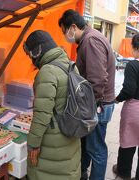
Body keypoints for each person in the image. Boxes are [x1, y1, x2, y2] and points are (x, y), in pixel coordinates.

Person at [59, 9, 115, 180]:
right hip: (99, 103)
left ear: (73, 27)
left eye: (64, 31)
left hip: (99, 104)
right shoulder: (90, 38)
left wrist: (88, 106)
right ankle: (83, 173)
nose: (65, 35)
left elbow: (97, 80)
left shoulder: (90, 41)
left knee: (96, 149)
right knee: (89, 145)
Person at [23, 30, 81, 180]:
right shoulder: (70, 64)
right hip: (71, 134)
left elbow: (42, 115)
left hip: (52, 143)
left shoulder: (47, 71)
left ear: (37, 52)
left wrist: (33, 144)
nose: (30, 60)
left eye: (30, 55)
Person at [112, 34, 139, 180]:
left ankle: (123, 172)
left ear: (135, 47)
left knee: (128, 142)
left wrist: (117, 99)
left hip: (135, 109)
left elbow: (128, 89)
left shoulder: (133, 65)